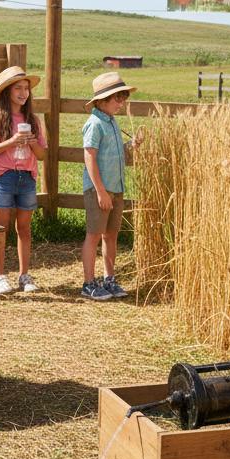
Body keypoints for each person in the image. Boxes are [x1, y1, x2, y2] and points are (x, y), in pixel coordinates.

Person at [0, 66, 47, 295]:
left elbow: (41, 155)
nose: (23, 92)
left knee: (24, 228)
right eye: (18, 88)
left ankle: (24, 275)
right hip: (4, 176)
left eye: (26, 88)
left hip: (27, 177)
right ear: (7, 92)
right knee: (1, 229)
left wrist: (31, 143)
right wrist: (12, 141)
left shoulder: (33, 120)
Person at [79, 72, 146, 300]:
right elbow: (89, 157)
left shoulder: (111, 122)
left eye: (123, 97)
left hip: (116, 188)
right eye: (118, 98)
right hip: (100, 189)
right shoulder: (95, 124)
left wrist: (131, 145)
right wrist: (100, 191)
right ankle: (88, 283)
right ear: (102, 100)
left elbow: (116, 154)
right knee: (94, 235)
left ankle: (109, 279)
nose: (121, 103)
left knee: (111, 235)